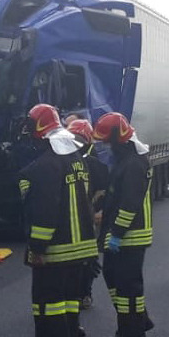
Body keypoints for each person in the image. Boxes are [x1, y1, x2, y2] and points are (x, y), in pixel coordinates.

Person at [19, 103, 97, 337]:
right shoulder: (75, 158)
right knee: (70, 304)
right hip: (81, 248)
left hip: (55, 251)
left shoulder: (43, 166)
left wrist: (37, 248)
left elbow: (43, 211)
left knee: (48, 305)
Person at [94, 112, 154, 337]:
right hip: (122, 232)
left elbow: (130, 203)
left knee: (128, 286)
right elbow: (117, 195)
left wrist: (117, 234)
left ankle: (132, 333)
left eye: (107, 142)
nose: (106, 146)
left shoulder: (133, 164)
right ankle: (138, 322)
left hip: (130, 235)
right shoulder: (126, 160)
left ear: (119, 139)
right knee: (116, 280)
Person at [66, 117, 109, 311]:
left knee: (88, 260)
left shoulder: (95, 165)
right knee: (75, 260)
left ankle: (85, 293)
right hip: (71, 217)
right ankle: (77, 293)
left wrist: (100, 211)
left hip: (88, 218)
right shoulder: (63, 162)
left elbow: (104, 191)